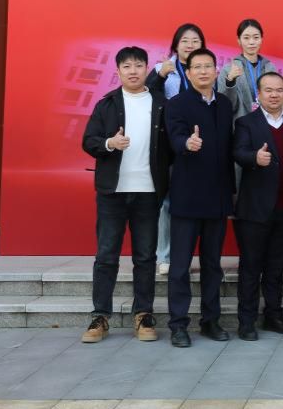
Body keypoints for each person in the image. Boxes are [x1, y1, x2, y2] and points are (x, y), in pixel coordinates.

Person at [80, 46, 171, 344]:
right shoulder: (106, 104)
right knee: (106, 255)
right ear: (118, 71)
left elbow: (172, 146)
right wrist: (110, 143)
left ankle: (143, 314)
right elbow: (89, 141)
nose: (133, 71)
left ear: (147, 68)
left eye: (138, 65)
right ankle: (100, 316)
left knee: (145, 257)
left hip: (148, 192)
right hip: (113, 193)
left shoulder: (161, 103)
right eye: (127, 66)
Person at [164, 47, 234, 348]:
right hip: (188, 197)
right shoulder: (177, 104)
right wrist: (186, 143)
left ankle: (210, 320)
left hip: (217, 197)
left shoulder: (225, 104)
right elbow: (174, 137)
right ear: (188, 72)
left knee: (212, 265)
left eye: (209, 66)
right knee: (180, 266)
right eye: (198, 67)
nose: (204, 71)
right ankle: (178, 325)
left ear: (216, 71)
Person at [232, 72, 283, 340]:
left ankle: (273, 315)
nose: (274, 95)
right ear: (259, 94)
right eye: (268, 90)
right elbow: (238, 152)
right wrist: (254, 157)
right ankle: (246, 321)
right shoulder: (246, 123)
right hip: (254, 210)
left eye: (279, 90)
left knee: (276, 269)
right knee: (251, 268)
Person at [149, 22, 205, 275]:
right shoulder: (162, 69)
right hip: (169, 143)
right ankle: (165, 256)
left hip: (199, 141)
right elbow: (148, 97)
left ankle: (189, 256)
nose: (190, 45)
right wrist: (161, 75)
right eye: (185, 41)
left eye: (195, 41)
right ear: (175, 45)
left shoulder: (207, 69)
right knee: (168, 201)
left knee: (196, 200)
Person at [220, 18, 277, 117]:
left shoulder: (270, 68)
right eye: (246, 38)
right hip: (240, 123)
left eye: (256, 37)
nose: (251, 42)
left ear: (261, 39)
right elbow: (225, 106)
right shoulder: (228, 69)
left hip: (267, 121)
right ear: (239, 40)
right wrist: (230, 82)